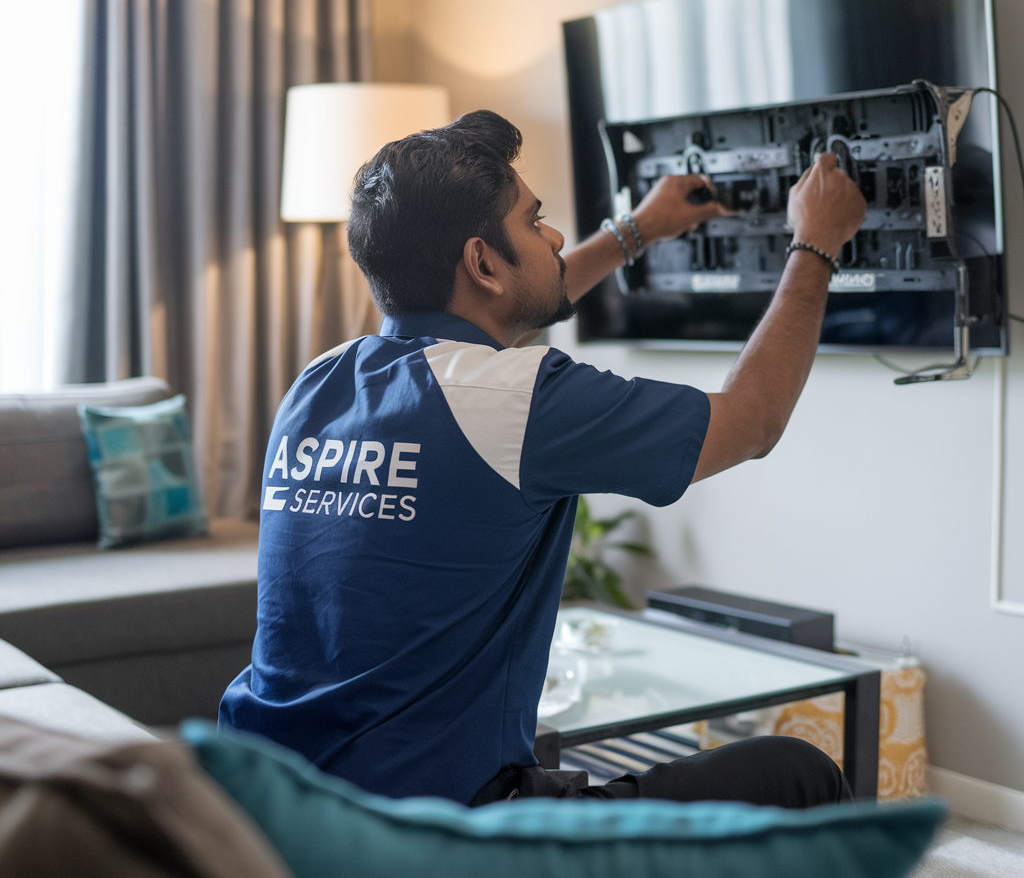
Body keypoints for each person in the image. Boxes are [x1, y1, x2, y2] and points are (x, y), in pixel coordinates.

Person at [220, 109, 866, 808]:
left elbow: (499, 321)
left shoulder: (316, 384)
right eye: (535, 222)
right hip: (433, 837)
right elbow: (754, 421)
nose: (555, 237)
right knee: (797, 774)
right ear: (481, 261)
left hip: (270, 802)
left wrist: (636, 230)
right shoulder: (516, 396)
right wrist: (816, 242)